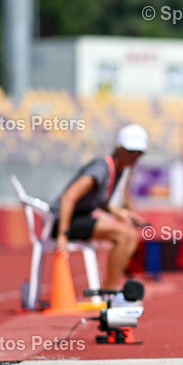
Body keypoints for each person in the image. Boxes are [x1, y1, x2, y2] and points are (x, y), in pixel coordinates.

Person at [50, 124, 148, 290]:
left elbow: (98, 201)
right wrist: (63, 235)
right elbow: (68, 197)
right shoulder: (101, 168)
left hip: (78, 218)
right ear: (119, 148)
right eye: (131, 151)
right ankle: (110, 291)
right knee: (124, 235)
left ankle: (113, 286)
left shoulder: (119, 170)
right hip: (62, 221)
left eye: (139, 153)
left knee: (131, 235)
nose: (135, 156)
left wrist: (121, 213)